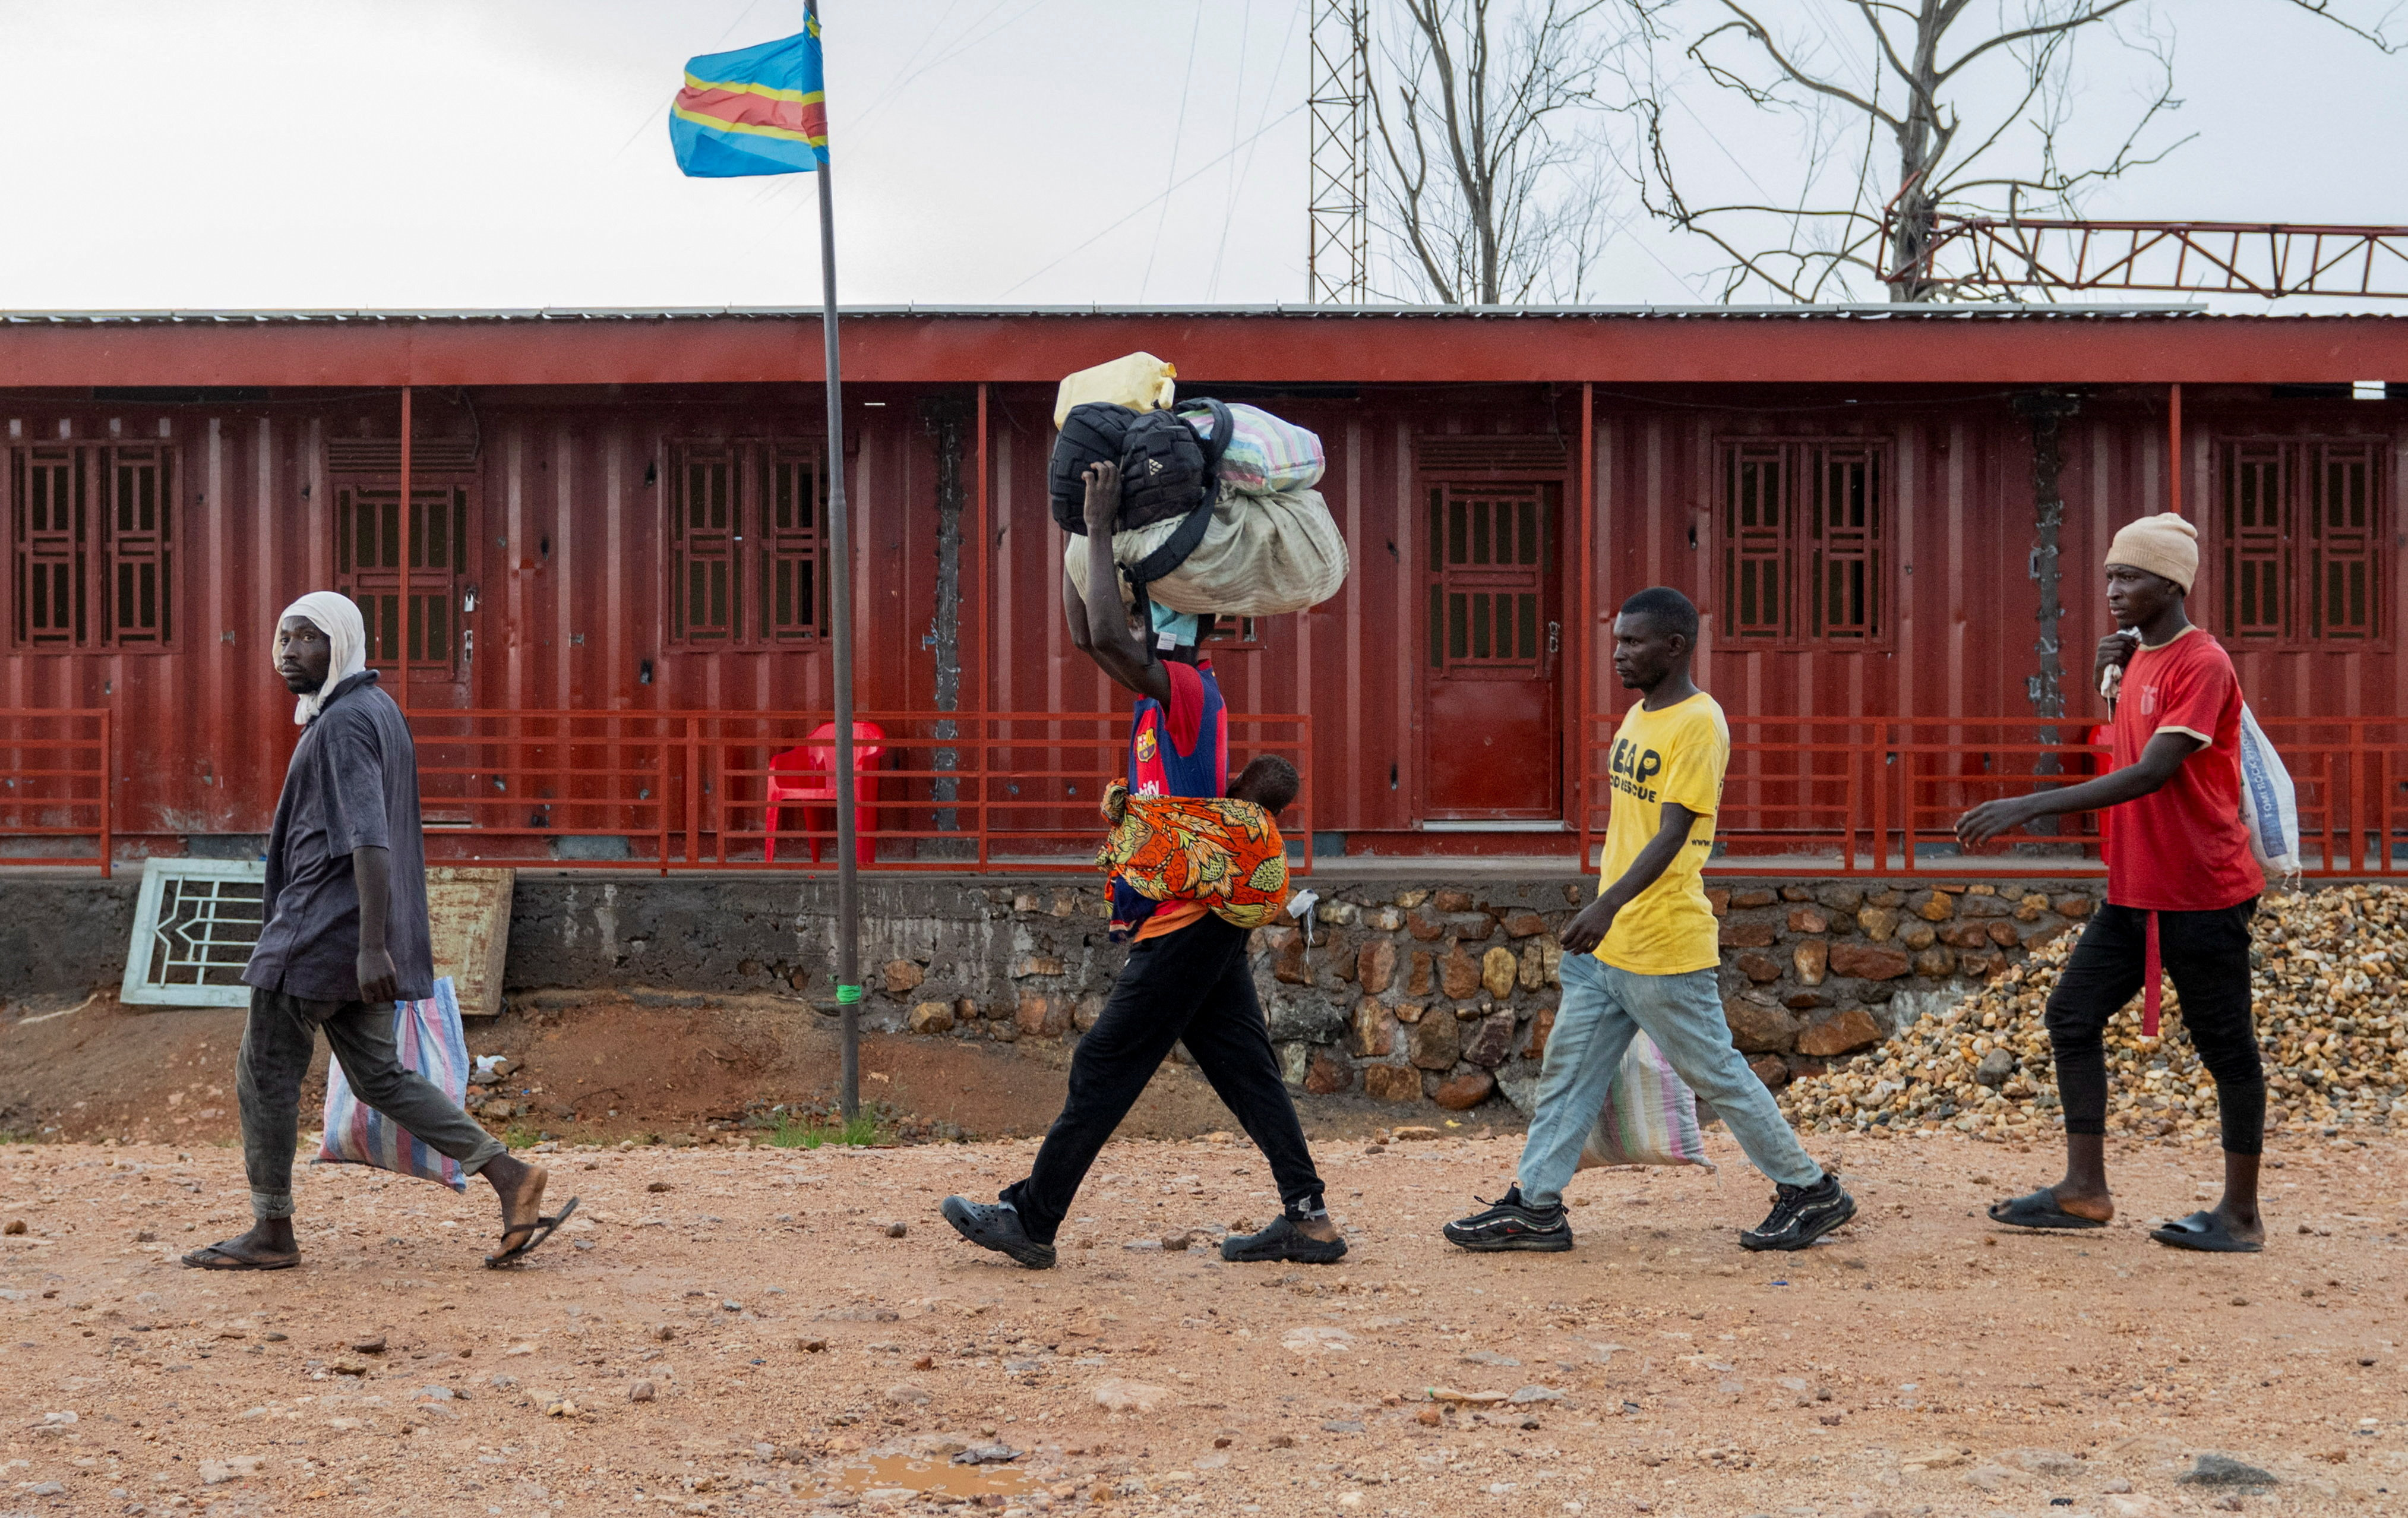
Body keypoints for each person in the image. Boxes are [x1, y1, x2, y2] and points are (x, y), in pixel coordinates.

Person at [941, 459, 1345, 1268]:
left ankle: (1033, 1216)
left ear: (1176, 625)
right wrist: (1070, 536)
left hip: (1186, 920)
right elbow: (1092, 633)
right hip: (1191, 920)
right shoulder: (1155, 700)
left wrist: (1095, 527)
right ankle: (1308, 1217)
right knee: (1243, 1066)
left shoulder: (1189, 691)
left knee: (1105, 1060)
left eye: (1145, 612)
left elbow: (1110, 637)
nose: (1127, 619)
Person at [1444, 587, 1856, 1255]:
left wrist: (1606, 904)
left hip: (1663, 943)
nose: (1618, 654)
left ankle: (1809, 1189)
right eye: (1616, 641)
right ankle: (1535, 1206)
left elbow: (1673, 834)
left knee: (1717, 1075)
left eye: (1633, 642)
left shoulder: (1699, 723)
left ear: (1676, 646)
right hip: (1607, 950)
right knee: (1567, 1075)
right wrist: (1604, 909)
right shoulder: (1639, 716)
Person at [182, 592, 574, 1271]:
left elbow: (368, 837)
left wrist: (369, 945)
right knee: (380, 1077)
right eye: (284, 637)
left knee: (264, 1077)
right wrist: (378, 939)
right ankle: (508, 1176)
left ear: (344, 646)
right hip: (355, 932)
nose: (290, 652)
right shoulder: (376, 711)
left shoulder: (344, 723)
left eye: (309, 638)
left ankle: (272, 1231)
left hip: (320, 930)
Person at [1957, 513, 2267, 1252]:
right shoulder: (2135, 661)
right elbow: (2126, 739)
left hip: (2201, 890)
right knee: (2071, 1015)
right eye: (2108, 576)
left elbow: (2155, 770)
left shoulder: (2203, 662)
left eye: (2128, 577)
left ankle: (2242, 1215)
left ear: (2171, 583)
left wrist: (2028, 802)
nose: (2112, 590)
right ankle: (2085, 1190)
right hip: (2135, 888)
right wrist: (2113, 680)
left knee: (2226, 1049)